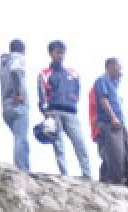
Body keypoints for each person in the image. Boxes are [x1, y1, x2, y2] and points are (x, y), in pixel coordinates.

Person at [37, 41, 92, 178]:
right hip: (53, 111)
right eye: (57, 52)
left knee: (80, 143)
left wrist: (73, 101)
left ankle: (87, 174)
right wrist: (45, 111)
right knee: (59, 145)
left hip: (71, 112)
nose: (60, 55)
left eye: (62, 52)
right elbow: (41, 93)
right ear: (51, 54)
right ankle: (64, 174)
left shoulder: (73, 73)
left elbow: (77, 90)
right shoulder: (44, 73)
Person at [92, 58, 128, 188]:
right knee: (115, 154)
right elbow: (103, 100)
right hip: (109, 122)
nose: (120, 71)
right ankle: (116, 181)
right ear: (110, 67)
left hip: (120, 122)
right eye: (118, 68)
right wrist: (113, 117)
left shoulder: (114, 84)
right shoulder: (102, 80)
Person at [0, 39, 29, 170]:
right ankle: (22, 169)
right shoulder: (18, 58)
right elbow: (15, 71)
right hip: (18, 103)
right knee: (21, 139)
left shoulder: (1, 64)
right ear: (23, 50)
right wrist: (18, 92)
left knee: (19, 138)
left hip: (6, 105)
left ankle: (22, 165)